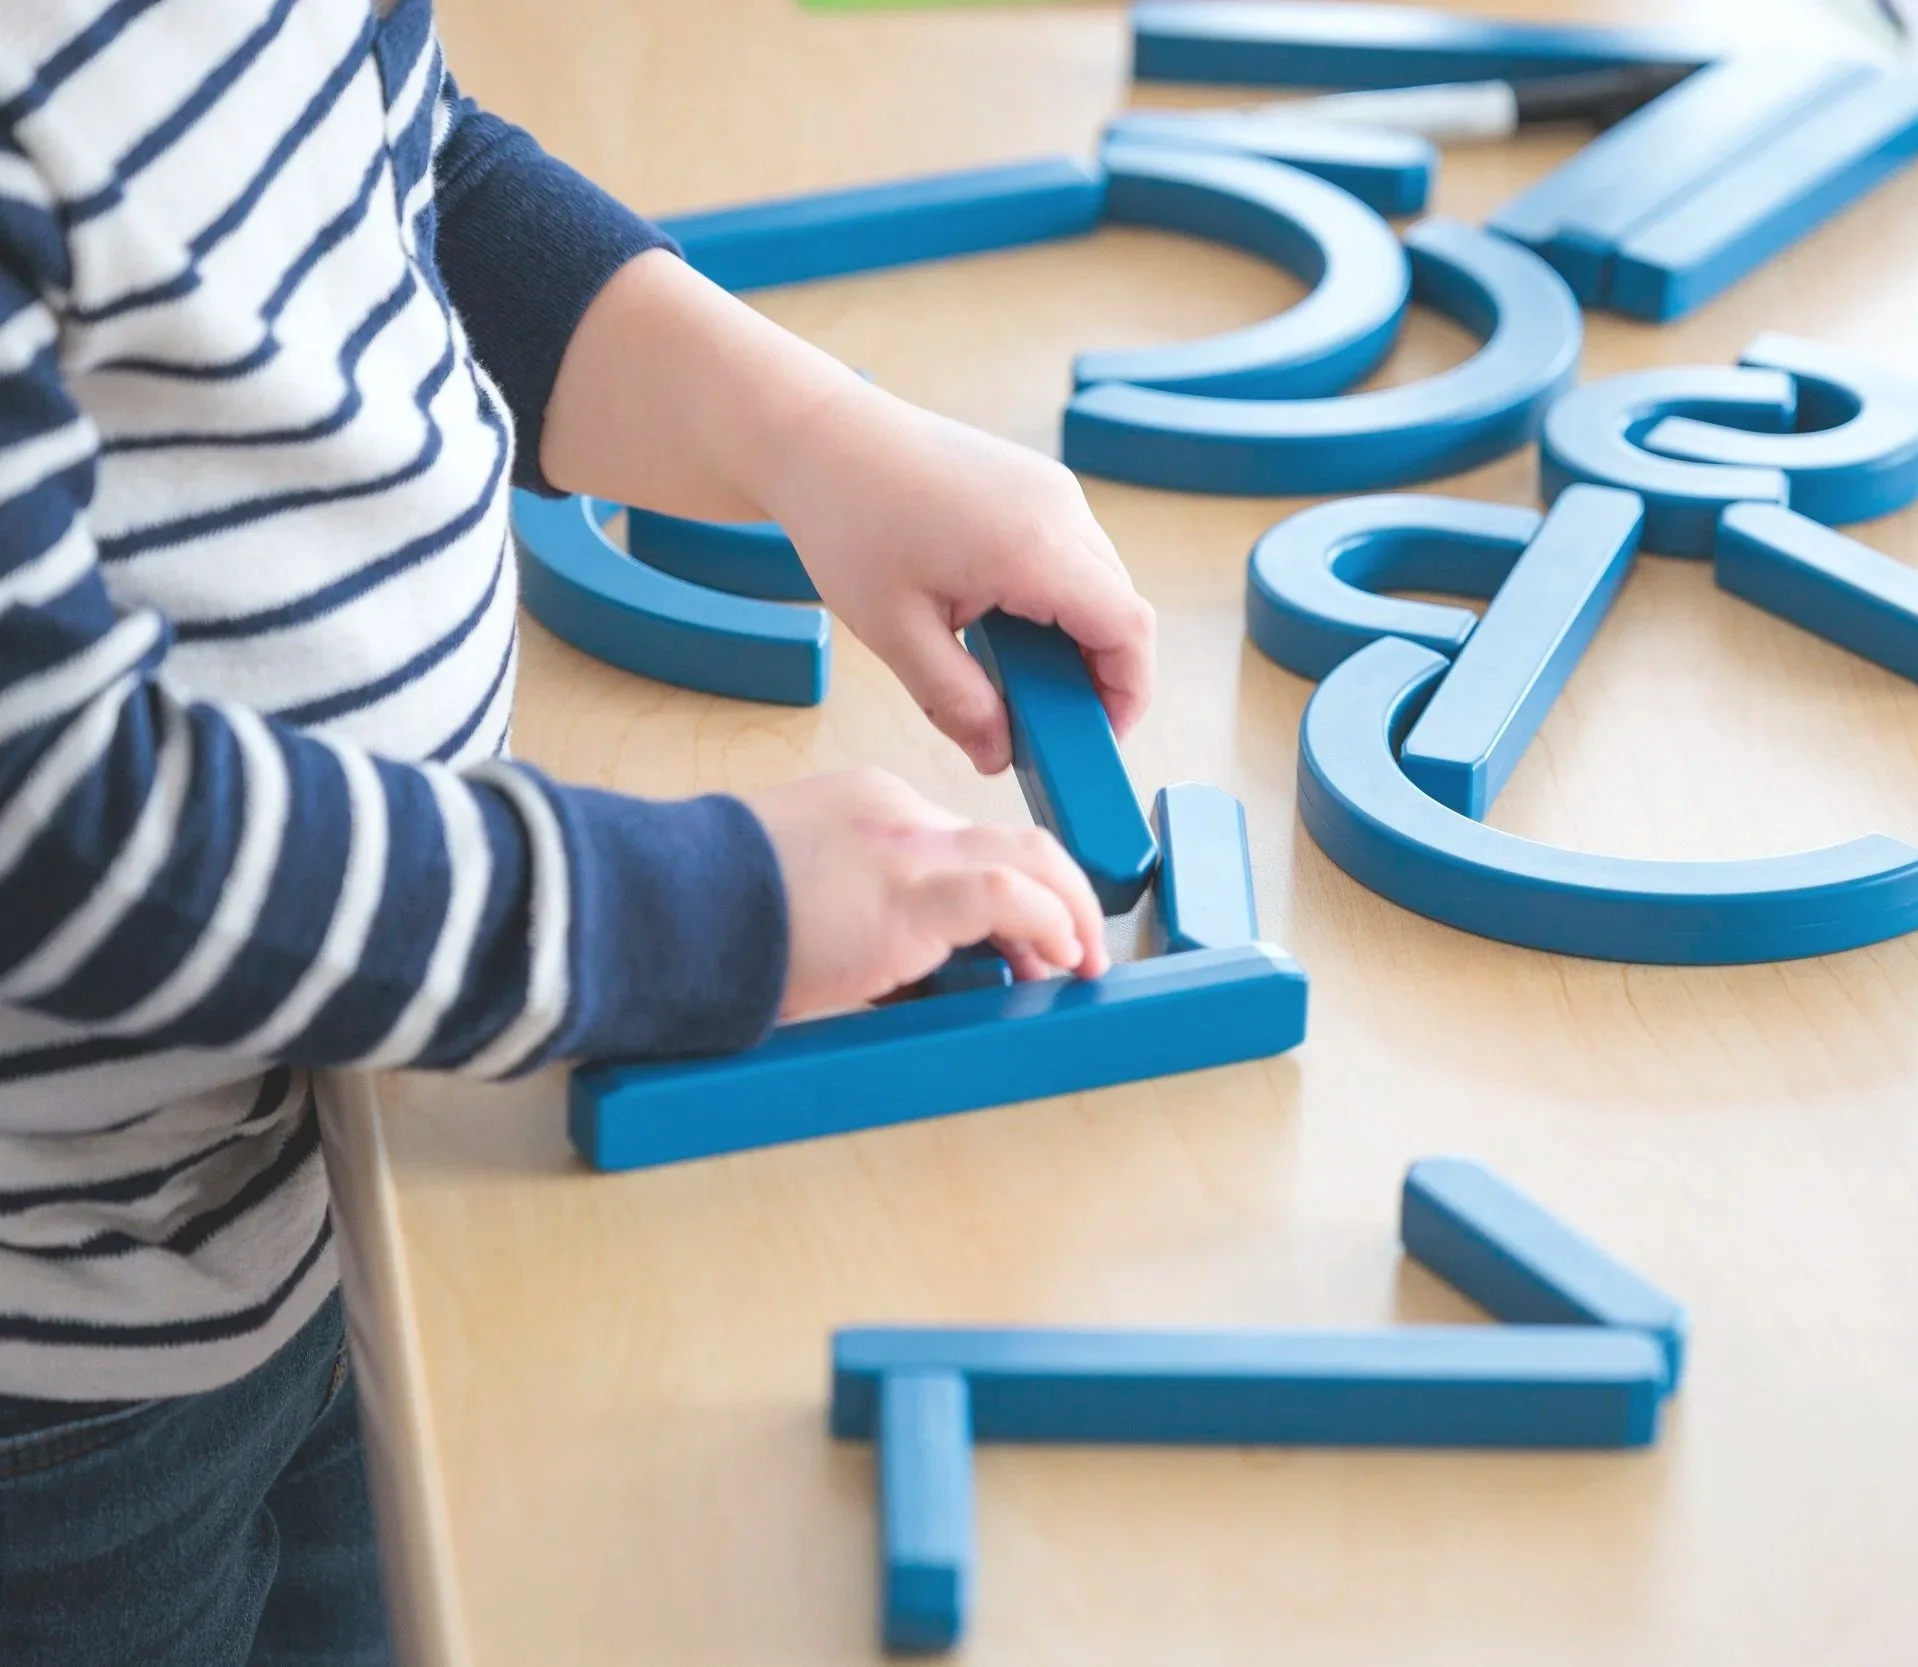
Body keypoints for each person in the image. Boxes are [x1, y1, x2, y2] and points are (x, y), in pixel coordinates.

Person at [0, 0, 1154, 1659]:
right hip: (61, 1381)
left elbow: (408, 190)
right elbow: (69, 833)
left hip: (344, 1138)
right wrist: (706, 911)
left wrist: (810, 436)